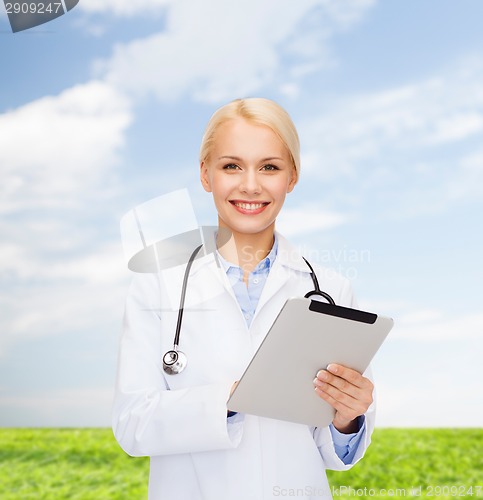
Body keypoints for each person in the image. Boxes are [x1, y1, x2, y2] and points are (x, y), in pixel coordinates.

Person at [112, 98, 375, 500]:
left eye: (269, 167)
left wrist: (348, 418)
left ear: (292, 177)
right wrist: (229, 401)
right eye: (231, 165)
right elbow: (133, 424)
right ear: (205, 174)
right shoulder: (158, 286)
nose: (250, 184)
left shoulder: (331, 290)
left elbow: (332, 450)